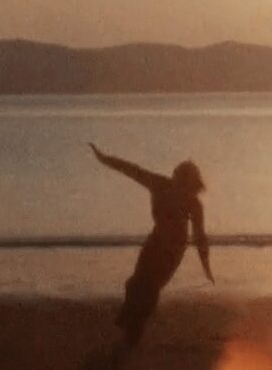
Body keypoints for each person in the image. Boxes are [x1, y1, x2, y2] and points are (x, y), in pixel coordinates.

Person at [89, 143, 214, 346]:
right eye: (180, 178)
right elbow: (130, 169)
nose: (183, 188)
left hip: (173, 250)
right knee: (135, 283)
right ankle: (131, 324)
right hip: (154, 242)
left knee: (150, 287)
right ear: (175, 176)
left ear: (193, 183)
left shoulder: (193, 203)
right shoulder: (158, 184)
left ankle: (134, 330)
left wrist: (206, 267)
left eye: (187, 183)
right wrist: (104, 158)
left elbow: (200, 236)